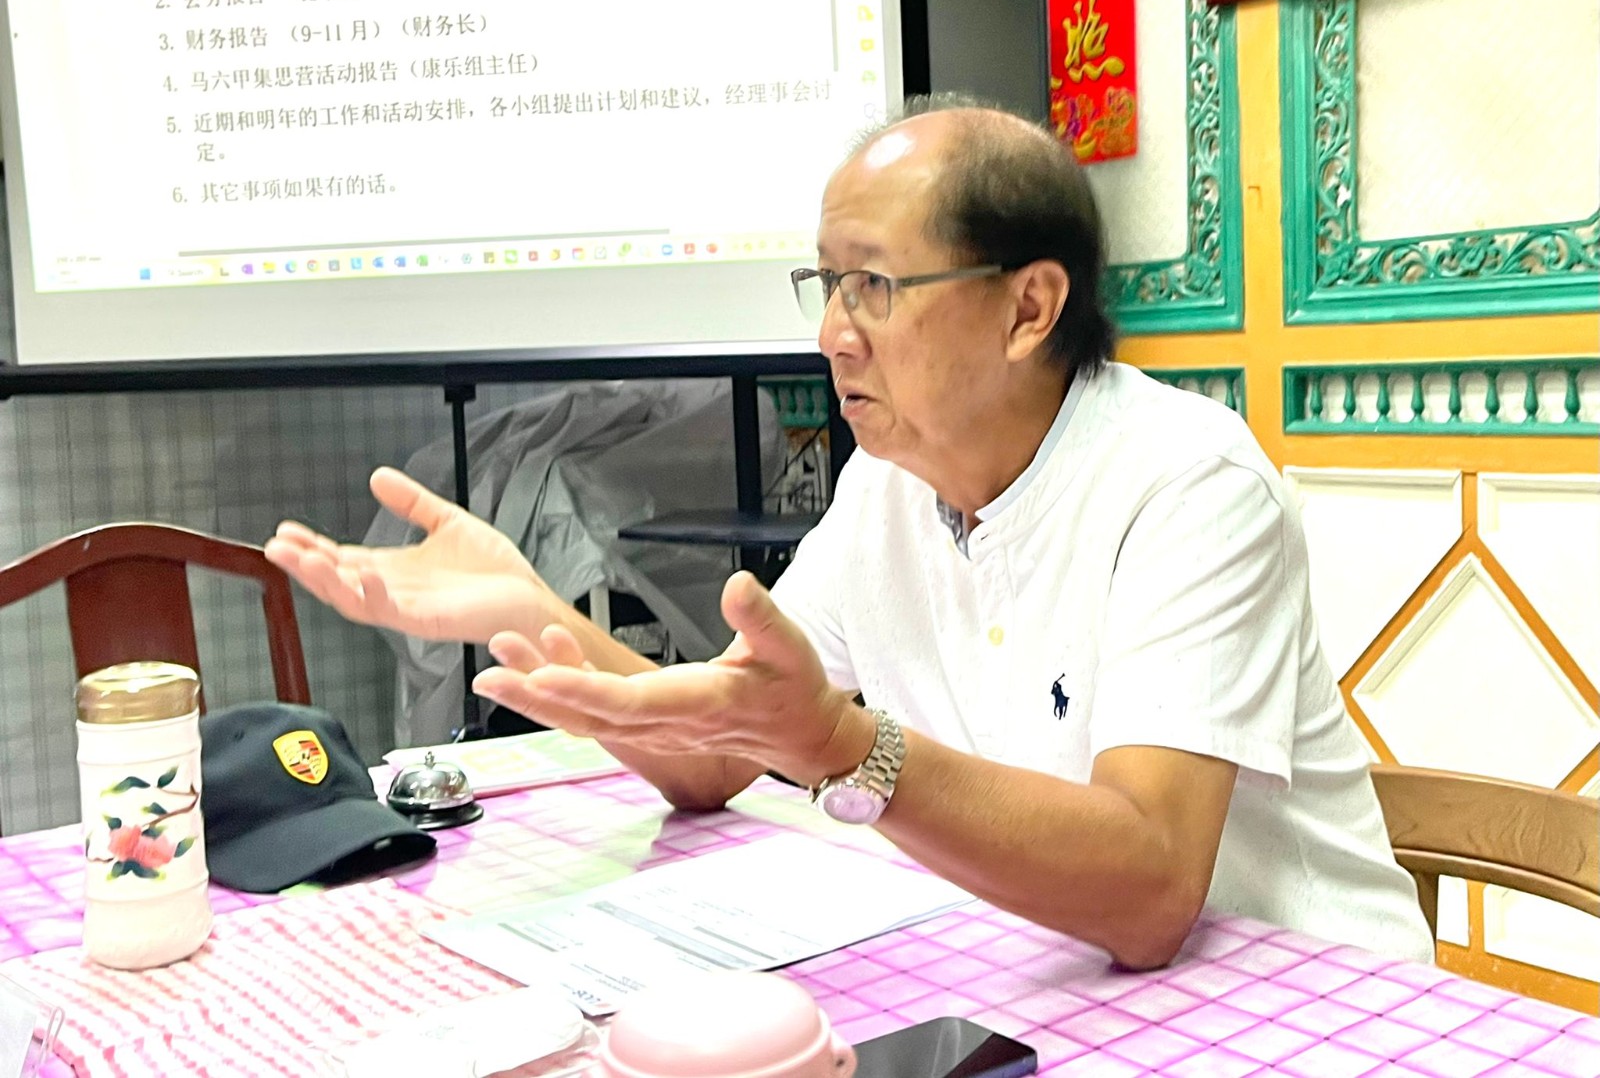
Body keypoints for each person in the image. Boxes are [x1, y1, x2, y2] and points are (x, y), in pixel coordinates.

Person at [267, 103, 1435, 970]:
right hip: (1055, 978)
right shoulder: (886, 484)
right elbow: (720, 750)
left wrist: (843, 745)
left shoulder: (1188, 482)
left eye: (872, 285)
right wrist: (532, 607)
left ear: (1028, 306)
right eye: (824, 284)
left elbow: (1149, 891)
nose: (832, 332)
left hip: (1307, 1004)